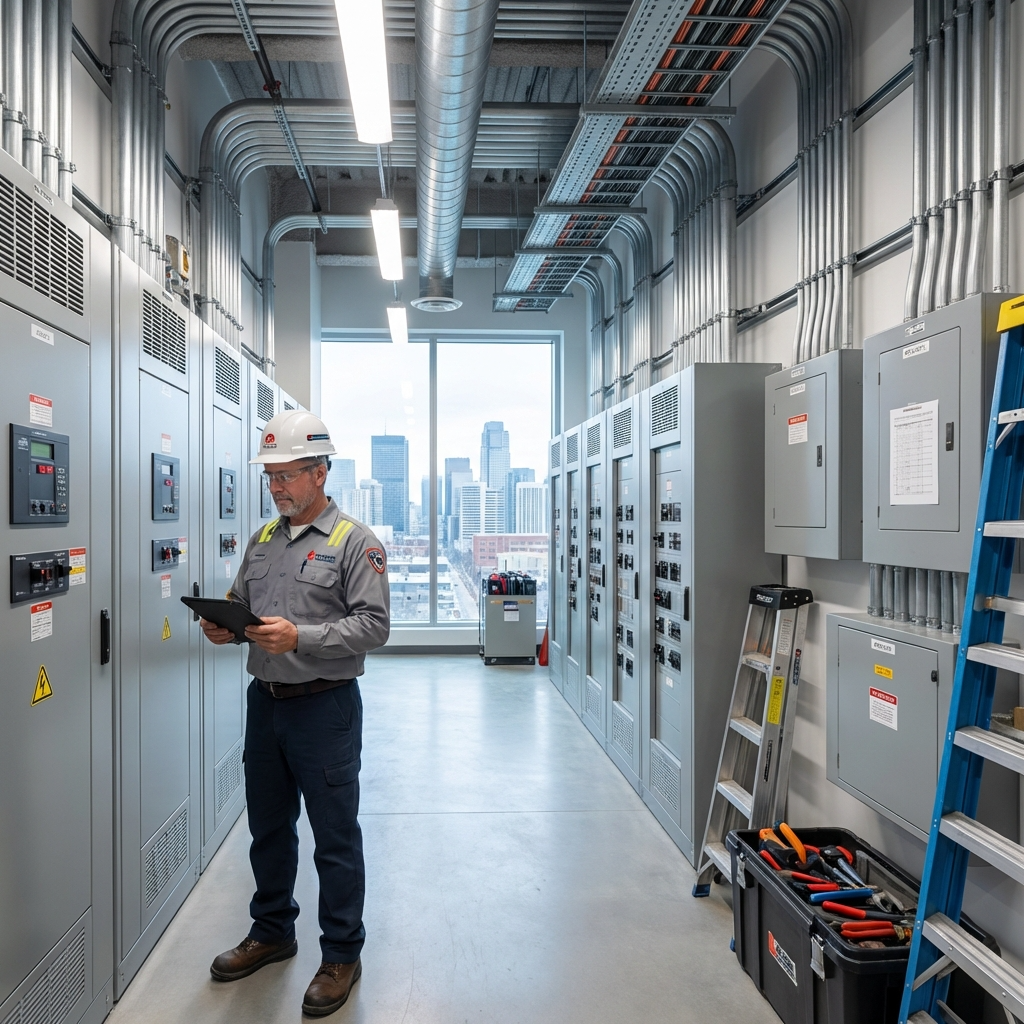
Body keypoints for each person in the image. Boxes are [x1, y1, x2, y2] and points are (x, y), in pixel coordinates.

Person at [201, 410, 390, 1017]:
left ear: (320, 471)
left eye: (287, 476)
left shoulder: (355, 542)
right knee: (268, 829)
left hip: (325, 708)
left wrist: (301, 638)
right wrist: (224, 626)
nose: (277, 488)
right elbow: (241, 604)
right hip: (267, 706)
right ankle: (273, 931)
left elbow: (375, 627)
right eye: (271, 477)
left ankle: (341, 953)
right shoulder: (261, 540)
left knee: (334, 836)